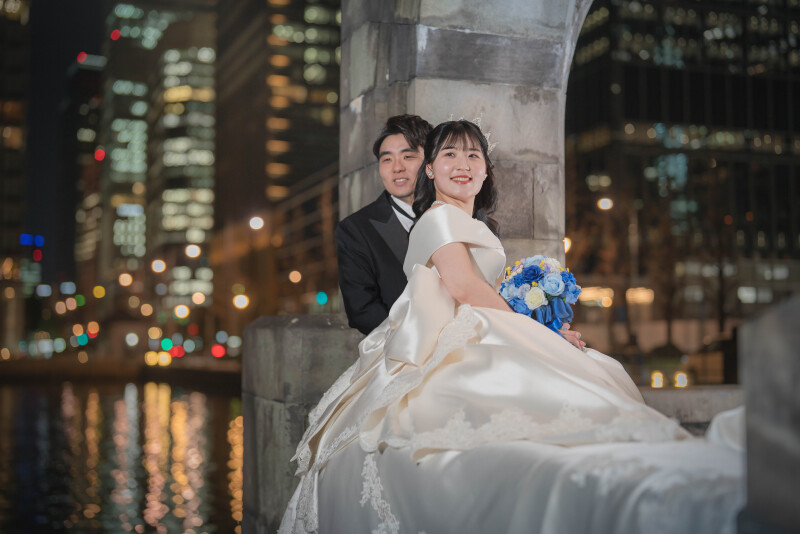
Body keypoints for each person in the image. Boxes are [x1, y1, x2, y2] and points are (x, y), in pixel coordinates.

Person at [279, 121, 744, 534]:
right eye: (449, 155)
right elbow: (463, 287)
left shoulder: (464, 220)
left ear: (485, 172)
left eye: (473, 156)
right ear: (431, 171)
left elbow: (478, 291)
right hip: (448, 327)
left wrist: (542, 324)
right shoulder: (439, 217)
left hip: (472, 319)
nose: (462, 164)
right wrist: (534, 328)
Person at [335, 114, 432, 335]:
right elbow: (362, 310)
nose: (396, 167)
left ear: (429, 162)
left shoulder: (454, 213)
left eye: (408, 157)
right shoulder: (355, 230)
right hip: (399, 352)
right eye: (387, 159)